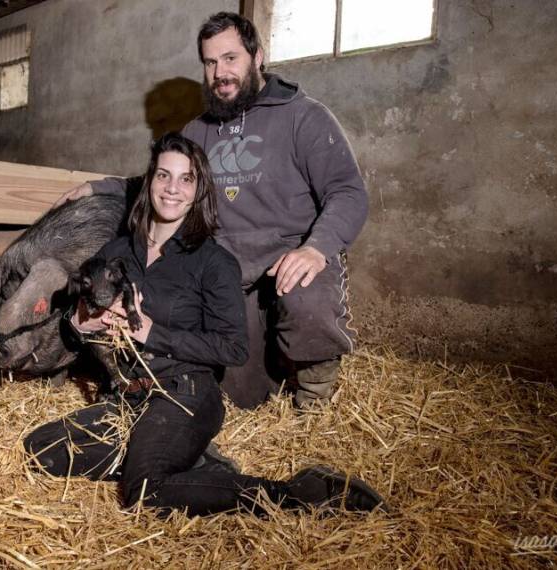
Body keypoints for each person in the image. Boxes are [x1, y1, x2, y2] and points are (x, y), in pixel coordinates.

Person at [24, 132, 385, 517]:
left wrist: (150, 332)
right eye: (164, 176)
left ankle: (302, 492)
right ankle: (194, 467)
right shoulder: (116, 252)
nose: (172, 188)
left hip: (184, 394)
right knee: (41, 450)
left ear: (198, 191)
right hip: (128, 398)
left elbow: (233, 348)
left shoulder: (212, 261)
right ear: (149, 182)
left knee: (145, 491)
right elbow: (71, 327)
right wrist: (81, 323)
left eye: (186, 179)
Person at [57, 12, 368, 410]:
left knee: (307, 297)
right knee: (241, 397)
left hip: (288, 258)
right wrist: (98, 187)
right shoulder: (199, 130)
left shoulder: (304, 116)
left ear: (257, 56)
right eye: (210, 62)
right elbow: (164, 181)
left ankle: (315, 399)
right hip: (231, 273)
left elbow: (348, 191)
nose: (220, 72)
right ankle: (271, 362)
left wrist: (315, 248)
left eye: (230, 58)